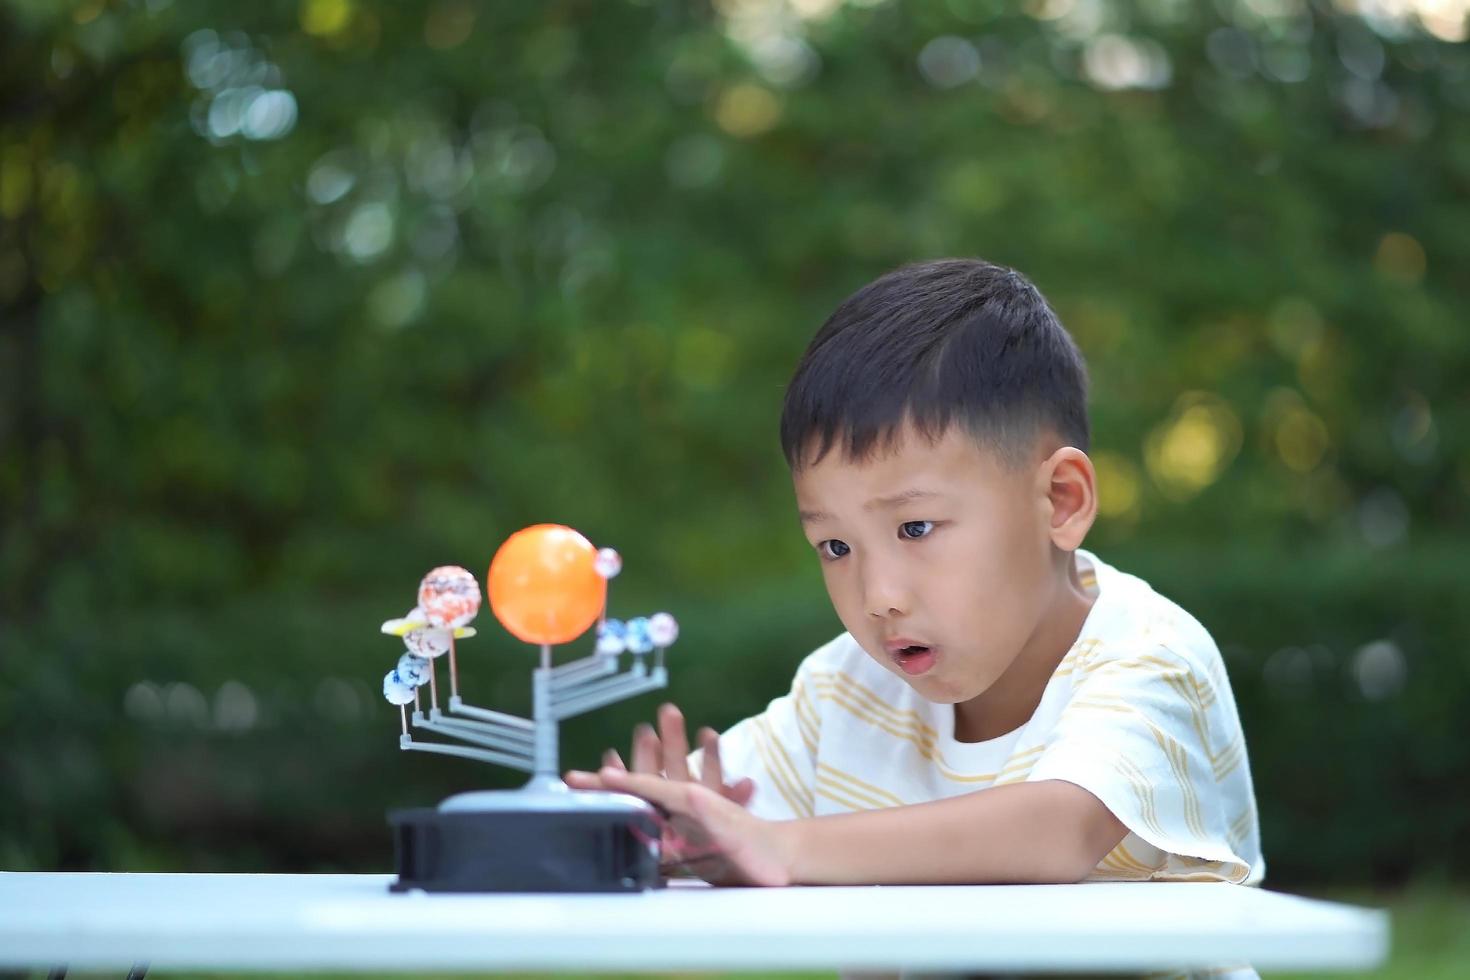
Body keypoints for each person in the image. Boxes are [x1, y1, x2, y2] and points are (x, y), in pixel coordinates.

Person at [565, 258, 1262, 904]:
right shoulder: (842, 694)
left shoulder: (1149, 654)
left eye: (916, 529)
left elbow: (1057, 831)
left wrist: (780, 846)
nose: (878, 597)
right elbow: (720, 829)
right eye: (835, 545)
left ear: (1061, 500)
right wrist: (669, 831)